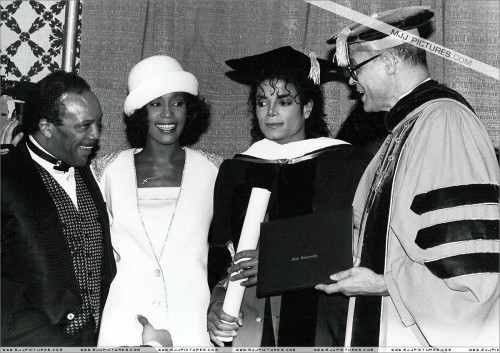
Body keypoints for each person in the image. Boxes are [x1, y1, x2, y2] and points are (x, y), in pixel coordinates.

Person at [315, 6, 500, 347]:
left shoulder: (444, 123)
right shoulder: (407, 128)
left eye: (355, 69)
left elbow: (468, 270)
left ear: (388, 63)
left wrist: (385, 284)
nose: (351, 82)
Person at [207, 46, 372, 347]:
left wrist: (279, 261)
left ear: (307, 108)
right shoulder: (236, 169)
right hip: (251, 320)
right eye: (261, 102)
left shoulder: (344, 164)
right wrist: (217, 301)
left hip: (321, 316)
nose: (270, 113)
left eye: (283, 102)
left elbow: (353, 243)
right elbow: (221, 254)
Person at [93, 55, 221, 347]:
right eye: (155, 104)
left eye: (177, 102)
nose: (167, 115)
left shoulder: (215, 170)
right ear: (140, 112)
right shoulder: (105, 171)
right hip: (124, 321)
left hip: (195, 323)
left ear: (189, 110)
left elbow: (229, 251)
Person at [1, 71, 116, 346]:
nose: (96, 135)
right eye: (83, 126)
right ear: (47, 127)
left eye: (98, 123)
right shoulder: (6, 178)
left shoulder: (92, 172)